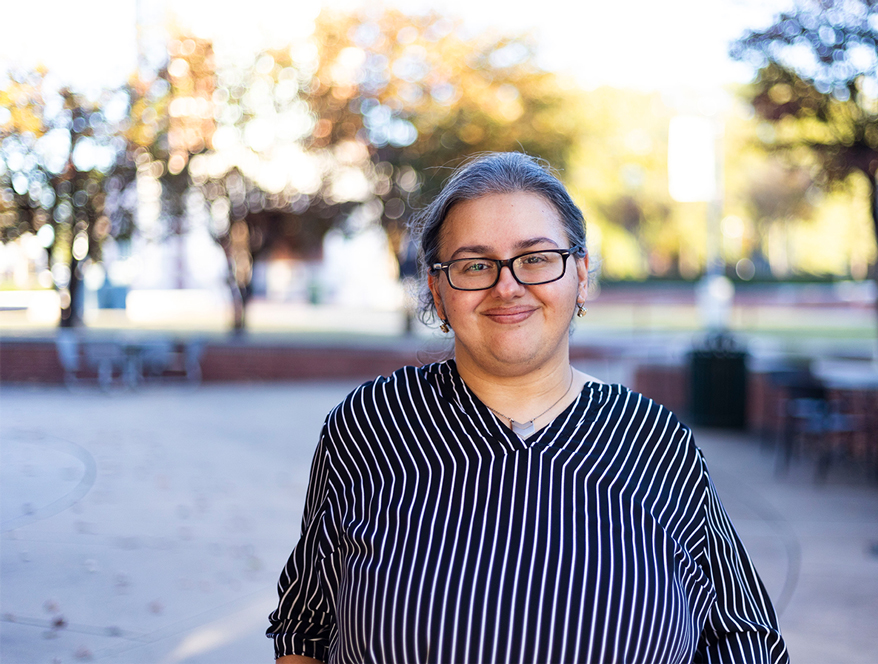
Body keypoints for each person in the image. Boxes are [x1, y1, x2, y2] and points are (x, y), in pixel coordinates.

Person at [267, 152, 789, 664]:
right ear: (437, 291)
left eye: (536, 258)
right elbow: (304, 626)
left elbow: (746, 637)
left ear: (580, 275)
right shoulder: (372, 428)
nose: (507, 286)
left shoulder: (654, 444)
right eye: (475, 265)